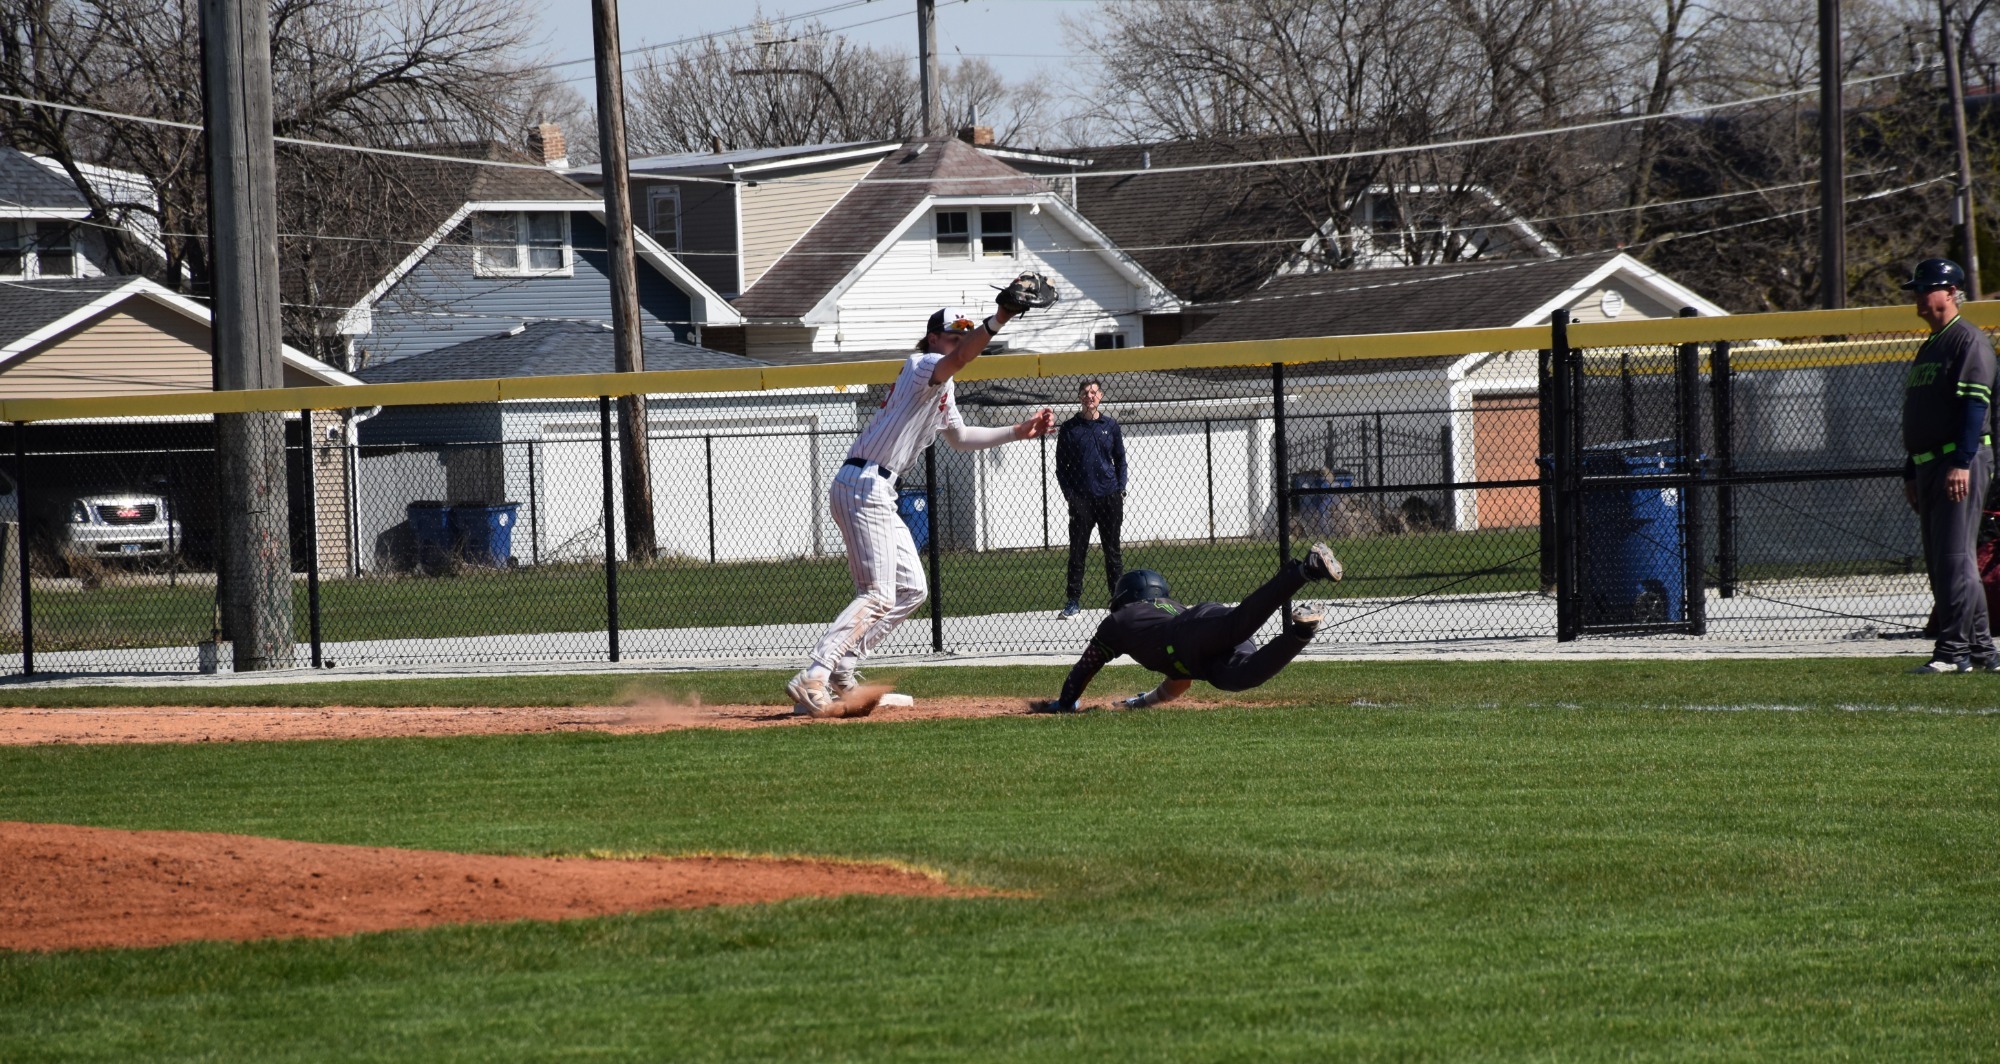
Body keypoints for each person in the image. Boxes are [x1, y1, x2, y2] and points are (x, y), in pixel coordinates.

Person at [787, 278, 1059, 715]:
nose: (959, 340)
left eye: (962, 334)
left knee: (911, 589)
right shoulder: (923, 364)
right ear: (934, 337)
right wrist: (1001, 316)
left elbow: (962, 437)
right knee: (877, 594)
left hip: (876, 487)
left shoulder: (944, 386)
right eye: (953, 334)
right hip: (863, 484)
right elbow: (962, 356)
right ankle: (815, 674)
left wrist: (1017, 431)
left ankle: (842, 669)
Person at [1033, 542, 1344, 712]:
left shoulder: (1120, 620)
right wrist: (1142, 703)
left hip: (1190, 631)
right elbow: (1178, 681)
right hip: (1200, 653)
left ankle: (1306, 569)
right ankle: (1302, 631)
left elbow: (1087, 664)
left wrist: (1066, 701)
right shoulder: (1169, 610)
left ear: (1124, 597)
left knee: (1237, 627)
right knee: (1242, 676)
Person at [1899, 256, 1999, 673]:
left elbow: (1976, 406)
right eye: (1918, 289)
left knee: (1955, 559)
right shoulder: (1931, 344)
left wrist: (1961, 461)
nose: (1919, 297)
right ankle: (1981, 651)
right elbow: (1919, 413)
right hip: (1929, 463)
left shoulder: (1967, 340)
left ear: (1951, 292)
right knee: (1948, 560)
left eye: (1926, 288)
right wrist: (1910, 470)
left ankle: (1952, 652)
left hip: (1960, 460)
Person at [1054, 379, 1128, 619]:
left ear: (1101, 397)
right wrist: (1070, 496)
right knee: (1077, 552)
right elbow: (1061, 468)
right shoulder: (1069, 429)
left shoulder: (1111, 426)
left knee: (1112, 552)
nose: (1090, 396)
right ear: (1080, 398)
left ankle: (1117, 601)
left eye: (1094, 392)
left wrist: (1121, 489)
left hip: (1109, 497)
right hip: (1082, 500)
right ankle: (1073, 601)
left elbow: (1120, 460)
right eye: (1085, 393)